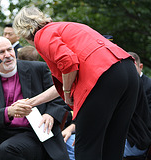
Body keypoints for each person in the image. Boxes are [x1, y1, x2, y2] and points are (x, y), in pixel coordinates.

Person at [13, 6, 140, 160]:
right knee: (113, 144)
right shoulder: (67, 27)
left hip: (103, 76)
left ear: (25, 30)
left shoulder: (42, 35)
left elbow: (68, 63)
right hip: (128, 71)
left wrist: (67, 94)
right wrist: (32, 102)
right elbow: (67, 77)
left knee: (87, 148)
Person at [0, 36, 69, 160]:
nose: (8, 55)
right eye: (1, 52)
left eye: (9, 49)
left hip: (34, 133)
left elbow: (60, 96)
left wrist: (50, 114)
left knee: (7, 150)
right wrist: (8, 112)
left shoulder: (38, 69)